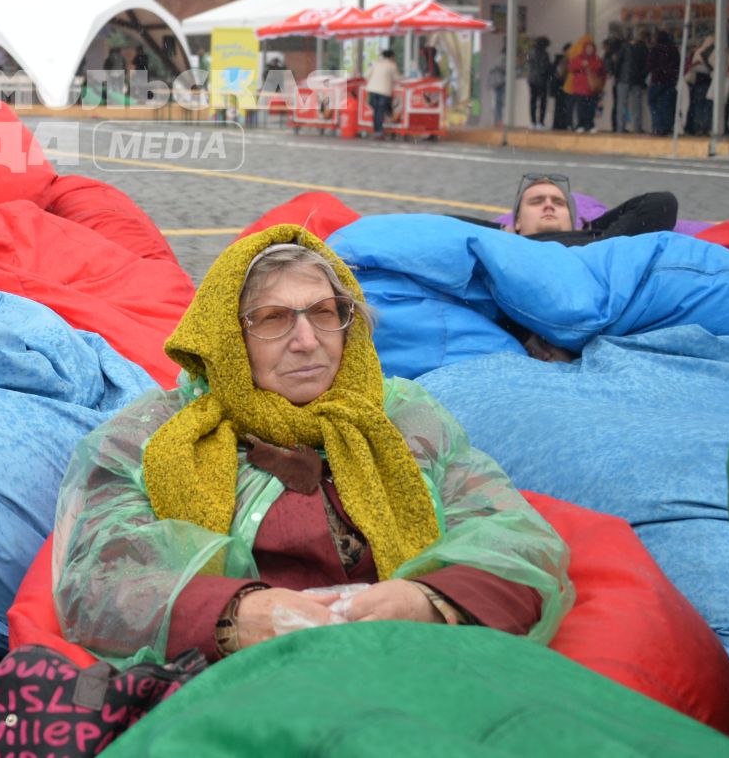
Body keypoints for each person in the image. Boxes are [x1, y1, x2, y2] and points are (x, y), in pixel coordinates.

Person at [52, 230, 571, 665]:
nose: (307, 340)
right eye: (274, 319)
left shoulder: (400, 418)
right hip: (232, 678)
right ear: (230, 339)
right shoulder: (156, 436)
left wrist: (430, 601)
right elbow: (97, 580)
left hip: (403, 662)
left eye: (326, 313)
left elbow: (514, 536)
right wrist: (234, 617)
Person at [503, 173, 677, 246]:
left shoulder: (602, 244)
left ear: (572, 220)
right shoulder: (504, 246)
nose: (549, 205)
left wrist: (588, 229)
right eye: (537, 201)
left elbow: (661, 204)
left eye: (559, 203)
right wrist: (500, 230)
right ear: (517, 221)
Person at [646, 28, 680, 136]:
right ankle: (666, 127)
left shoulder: (655, 49)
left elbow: (649, 65)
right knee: (667, 105)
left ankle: (658, 127)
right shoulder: (674, 49)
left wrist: (657, 70)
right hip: (670, 81)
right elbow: (677, 65)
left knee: (653, 104)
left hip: (657, 80)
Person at [566, 36, 603, 133]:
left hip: (592, 88)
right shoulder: (578, 58)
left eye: (591, 48)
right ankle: (581, 125)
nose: (589, 50)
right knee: (581, 108)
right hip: (580, 88)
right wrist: (581, 65)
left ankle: (590, 125)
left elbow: (601, 70)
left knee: (590, 108)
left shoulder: (597, 59)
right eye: (587, 48)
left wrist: (589, 67)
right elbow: (570, 68)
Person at [621, 28, 650, 134]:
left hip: (625, 79)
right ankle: (637, 127)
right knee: (636, 106)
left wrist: (618, 75)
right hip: (637, 80)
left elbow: (619, 63)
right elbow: (646, 66)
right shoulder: (644, 49)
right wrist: (642, 76)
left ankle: (621, 127)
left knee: (623, 105)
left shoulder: (625, 47)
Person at [364, 49, 398, 138]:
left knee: (376, 111)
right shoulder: (392, 65)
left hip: (372, 90)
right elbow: (397, 78)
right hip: (384, 91)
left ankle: (377, 130)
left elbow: (366, 75)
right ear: (391, 57)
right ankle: (379, 131)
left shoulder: (375, 63)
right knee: (380, 111)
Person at [526, 37, 553, 130]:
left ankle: (533, 121)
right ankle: (540, 122)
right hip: (542, 80)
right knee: (542, 102)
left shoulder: (531, 53)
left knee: (533, 101)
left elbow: (529, 66)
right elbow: (544, 68)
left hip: (532, 80)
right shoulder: (544, 54)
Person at [602, 34, 625, 132]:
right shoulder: (618, 52)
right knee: (618, 104)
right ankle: (617, 126)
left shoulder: (609, 54)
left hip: (614, 80)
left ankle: (615, 125)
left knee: (616, 104)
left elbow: (608, 67)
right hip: (619, 80)